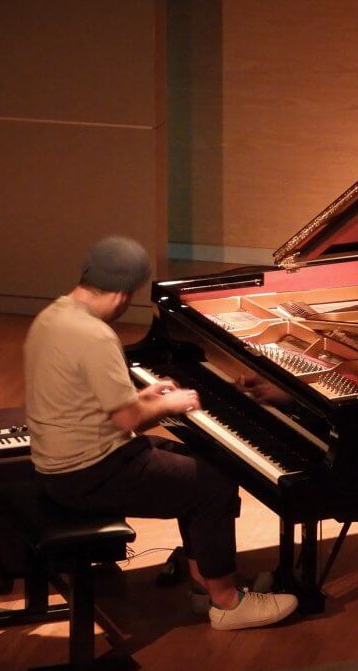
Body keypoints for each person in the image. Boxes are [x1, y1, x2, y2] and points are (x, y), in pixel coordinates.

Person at [23, 235, 299, 630]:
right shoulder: (96, 336)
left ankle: (204, 583)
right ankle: (227, 602)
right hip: (88, 474)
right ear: (123, 295)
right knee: (213, 484)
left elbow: (91, 398)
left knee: (199, 463)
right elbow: (128, 420)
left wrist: (146, 394)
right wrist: (170, 403)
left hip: (61, 463)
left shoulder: (53, 316)